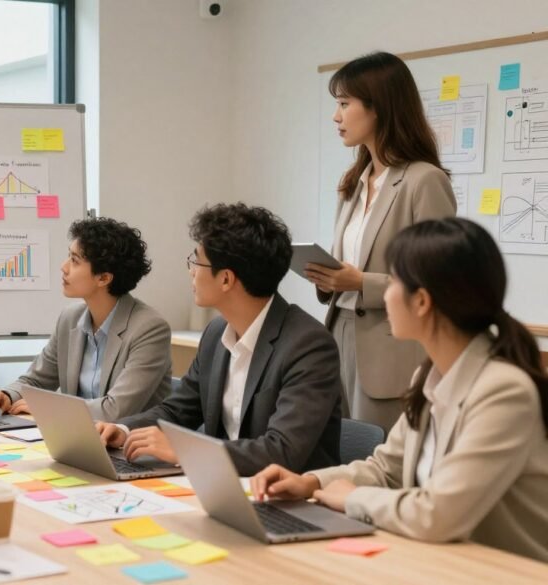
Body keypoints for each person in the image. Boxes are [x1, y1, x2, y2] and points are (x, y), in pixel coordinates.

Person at [251, 218, 548, 563]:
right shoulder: (431, 375)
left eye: (393, 281)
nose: (385, 294)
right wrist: (313, 482)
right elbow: (386, 469)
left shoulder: (504, 392)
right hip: (444, 561)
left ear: (421, 302)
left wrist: (350, 498)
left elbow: (438, 514)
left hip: (506, 571)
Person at [97, 203, 342, 475]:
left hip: (289, 501)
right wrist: (122, 429)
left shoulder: (308, 345)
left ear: (226, 279)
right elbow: (179, 409)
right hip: (222, 486)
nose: (191, 271)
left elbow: (282, 450)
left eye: (196, 260)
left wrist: (186, 451)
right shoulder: (216, 334)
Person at [305, 51, 456, 432]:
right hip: (338, 337)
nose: (335, 116)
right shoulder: (353, 181)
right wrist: (328, 280)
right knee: (338, 458)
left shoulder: (424, 181)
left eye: (344, 104)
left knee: (379, 464)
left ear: (379, 108)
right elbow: (347, 266)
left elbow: (439, 280)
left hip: (392, 351)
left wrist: (361, 283)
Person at [0, 217, 172, 421]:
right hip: (77, 438)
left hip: (127, 446)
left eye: (75, 260)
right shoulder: (70, 318)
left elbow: (116, 409)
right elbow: (36, 381)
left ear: (104, 278)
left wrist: (49, 409)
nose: (64, 267)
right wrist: (7, 395)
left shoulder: (149, 328)